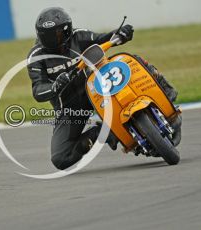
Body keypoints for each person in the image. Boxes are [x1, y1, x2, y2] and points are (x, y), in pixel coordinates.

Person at [27, 7, 180, 170]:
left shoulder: (79, 36)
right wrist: (56, 85)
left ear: (67, 30)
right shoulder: (36, 57)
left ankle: (167, 92)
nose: (54, 40)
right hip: (70, 107)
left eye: (58, 34)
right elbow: (38, 91)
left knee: (132, 61)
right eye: (48, 36)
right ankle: (104, 132)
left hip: (97, 90)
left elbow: (105, 38)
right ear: (40, 35)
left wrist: (122, 33)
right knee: (60, 158)